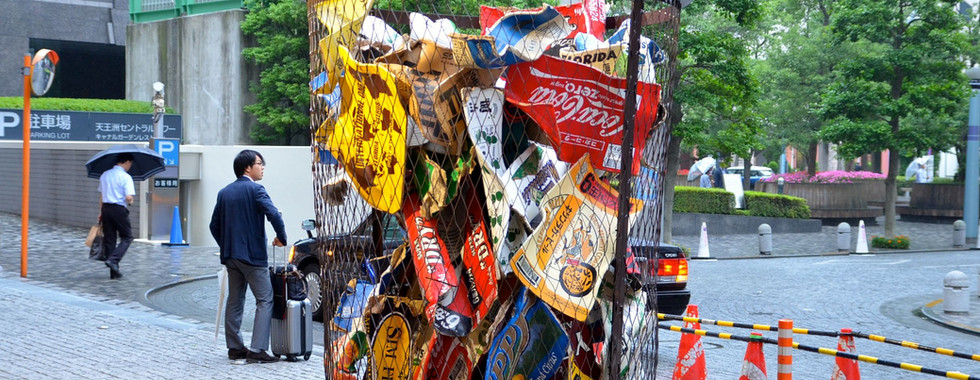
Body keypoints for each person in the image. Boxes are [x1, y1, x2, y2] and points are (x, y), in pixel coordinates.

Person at [210, 150, 287, 364]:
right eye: (259, 163)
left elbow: (213, 225)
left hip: (231, 257)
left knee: (235, 300)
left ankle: (234, 347)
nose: (262, 168)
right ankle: (257, 349)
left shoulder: (224, 192)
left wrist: (227, 245)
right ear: (247, 168)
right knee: (265, 299)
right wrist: (282, 237)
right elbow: (274, 215)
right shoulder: (256, 189)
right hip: (253, 257)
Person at [98, 153, 135, 279]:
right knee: (127, 237)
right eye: (131, 164)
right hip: (119, 209)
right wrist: (130, 201)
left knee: (110, 240)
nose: (130, 166)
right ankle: (113, 261)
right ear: (127, 162)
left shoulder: (105, 174)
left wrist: (101, 212)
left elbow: (102, 196)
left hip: (106, 208)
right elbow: (128, 197)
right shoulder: (126, 177)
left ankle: (114, 272)